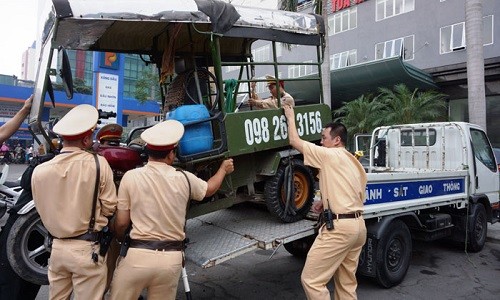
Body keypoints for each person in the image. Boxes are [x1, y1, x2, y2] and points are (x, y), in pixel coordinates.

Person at [109, 120, 234, 300]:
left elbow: (121, 223)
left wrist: (121, 240)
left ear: (148, 152)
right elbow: (209, 189)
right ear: (170, 155)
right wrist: (223, 169)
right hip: (171, 260)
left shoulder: (131, 177)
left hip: (137, 257)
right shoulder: (184, 177)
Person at [31, 104, 118, 300]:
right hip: (87, 250)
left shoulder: (40, 171)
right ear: (86, 139)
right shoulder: (98, 164)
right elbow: (111, 206)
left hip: (57, 249)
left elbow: (41, 207)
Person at [283, 105, 367, 300]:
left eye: (323, 138)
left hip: (339, 229)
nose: (321, 142)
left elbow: (294, 140)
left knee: (312, 280)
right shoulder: (353, 162)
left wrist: (290, 114)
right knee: (346, 284)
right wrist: (326, 201)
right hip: (358, 227)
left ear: (336, 140)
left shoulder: (329, 155)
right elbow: (355, 193)